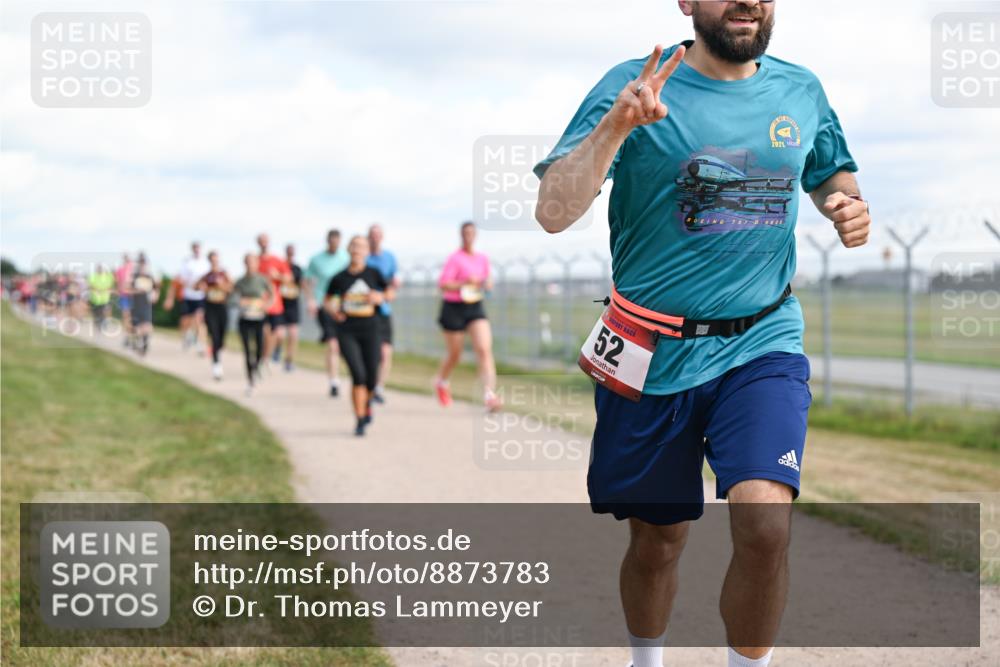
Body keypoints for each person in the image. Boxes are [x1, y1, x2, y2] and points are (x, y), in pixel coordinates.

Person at [533, 3, 871, 667]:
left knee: (764, 521)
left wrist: (843, 202)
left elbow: (832, 170)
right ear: (687, 2)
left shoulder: (800, 88)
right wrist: (617, 126)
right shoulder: (634, 83)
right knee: (658, 540)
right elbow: (552, 210)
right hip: (652, 351)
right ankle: (646, 661)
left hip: (763, 338)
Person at [325, 235, 393, 436]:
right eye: (354, 246)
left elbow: (390, 293)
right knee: (358, 374)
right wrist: (333, 311)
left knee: (371, 376)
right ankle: (360, 418)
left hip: (371, 328)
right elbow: (327, 300)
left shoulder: (374, 273)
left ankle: (367, 404)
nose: (357, 250)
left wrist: (380, 297)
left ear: (366, 251)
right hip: (347, 330)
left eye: (361, 246)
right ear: (348, 249)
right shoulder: (340, 278)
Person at [433, 222, 501, 412]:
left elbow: (487, 282)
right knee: (455, 354)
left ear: (475, 235)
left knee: (484, 349)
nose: (468, 236)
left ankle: (489, 395)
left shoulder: (482, 258)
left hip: (475, 306)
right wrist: (464, 283)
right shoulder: (454, 259)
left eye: (471, 233)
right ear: (461, 235)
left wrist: (486, 284)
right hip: (453, 307)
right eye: (465, 233)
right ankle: (442, 381)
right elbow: (443, 284)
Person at [304, 229, 350, 397]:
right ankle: (334, 381)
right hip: (324, 304)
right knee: (333, 344)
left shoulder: (346, 258)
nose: (334, 245)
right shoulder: (316, 260)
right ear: (327, 241)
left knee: (343, 344)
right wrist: (310, 300)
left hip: (343, 305)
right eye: (332, 241)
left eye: (337, 241)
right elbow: (306, 281)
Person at [366, 224, 400, 404]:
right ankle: (368, 386)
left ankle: (379, 388)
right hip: (365, 313)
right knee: (371, 353)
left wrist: (386, 294)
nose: (375, 238)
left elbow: (394, 285)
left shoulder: (390, 258)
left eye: (378, 235)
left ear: (382, 237)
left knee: (385, 352)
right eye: (372, 235)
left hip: (383, 311)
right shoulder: (363, 259)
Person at [232, 253, 273, 396]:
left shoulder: (262, 280)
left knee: (260, 348)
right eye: (247, 262)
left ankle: (258, 367)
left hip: (259, 318)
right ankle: (251, 380)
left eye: (252, 262)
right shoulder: (240, 281)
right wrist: (240, 302)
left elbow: (272, 296)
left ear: (256, 263)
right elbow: (232, 298)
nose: (250, 265)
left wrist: (266, 305)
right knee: (247, 350)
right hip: (244, 318)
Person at [166, 242, 210, 354]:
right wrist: (170, 298)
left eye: (198, 248)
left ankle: (201, 344)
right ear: (192, 249)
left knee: (199, 319)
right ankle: (187, 335)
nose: (197, 250)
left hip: (200, 296)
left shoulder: (205, 263)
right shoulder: (187, 263)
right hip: (188, 295)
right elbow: (178, 280)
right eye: (195, 248)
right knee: (185, 321)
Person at [255, 233, 291, 372]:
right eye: (261, 241)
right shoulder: (256, 261)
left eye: (265, 240)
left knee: (278, 334)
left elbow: (288, 278)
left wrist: (278, 276)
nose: (263, 243)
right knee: (265, 332)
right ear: (258, 243)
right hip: (260, 303)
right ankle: (264, 359)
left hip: (275, 303)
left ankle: (267, 357)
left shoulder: (277, 260)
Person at [195, 251, 233, 381]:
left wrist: (222, 286)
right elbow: (195, 286)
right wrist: (202, 287)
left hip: (222, 307)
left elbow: (232, 288)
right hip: (210, 308)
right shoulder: (206, 276)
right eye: (212, 260)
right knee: (214, 335)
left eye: (216, 260)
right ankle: (216, 364)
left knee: (221, 338)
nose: (214, 262)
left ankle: (218, 351)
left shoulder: (224, 274)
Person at [273, 243, 303, 372]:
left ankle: (289, 361)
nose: (291, 254)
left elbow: (300, 283)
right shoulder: (280, 266)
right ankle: (277, 349)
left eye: (292, 251)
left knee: (293, 334)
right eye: (289, 251)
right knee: (279, 334)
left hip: (293, 304)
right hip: (280, 303)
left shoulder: (297, 269)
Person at [128, 254, 159, 357]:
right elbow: (127, 289)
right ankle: (137, 342)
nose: (142, 266)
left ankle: (144, 344)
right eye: (141, 263)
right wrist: (137, 291)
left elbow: (156, 288)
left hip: (146, 304)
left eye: (144, 263)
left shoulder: (150, 277)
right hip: (136, 304)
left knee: (147, 325)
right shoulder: (134, 276)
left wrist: (155, 296)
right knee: (136, 327)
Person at [114, 253, 135, 347]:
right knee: (126, 316)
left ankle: (131, 335)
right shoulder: (120, 270)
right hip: (124, 296)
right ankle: (127, 336)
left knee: (131, 317)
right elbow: (118, 282)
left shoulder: (134, 269)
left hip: (133, 296)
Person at [87, 264, 114, 328]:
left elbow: (110, 286)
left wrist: (106, 290)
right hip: (95, 299)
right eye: (98, 269)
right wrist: (96, 289)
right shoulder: (93, 276)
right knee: (96, 313)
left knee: (105, 311)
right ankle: (98, 323)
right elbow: (90, 286)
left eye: (101, 269)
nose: (100, 270)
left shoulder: (107, 277)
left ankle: (105, 323)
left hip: (105, 299)